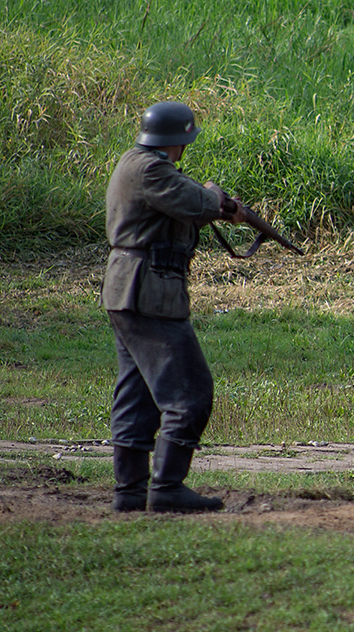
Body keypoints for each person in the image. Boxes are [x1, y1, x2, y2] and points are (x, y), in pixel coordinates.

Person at [102, 101, 247, 512]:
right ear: (178, 140)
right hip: (149, 292)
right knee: (190, 393)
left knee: (138, 395)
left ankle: (129, 493)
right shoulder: (150, 169)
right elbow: (197, 203)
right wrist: (219, 199)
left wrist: (211, 202)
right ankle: (166, 488)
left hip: (128, 290)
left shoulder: (134, 162)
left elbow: (185, 204)